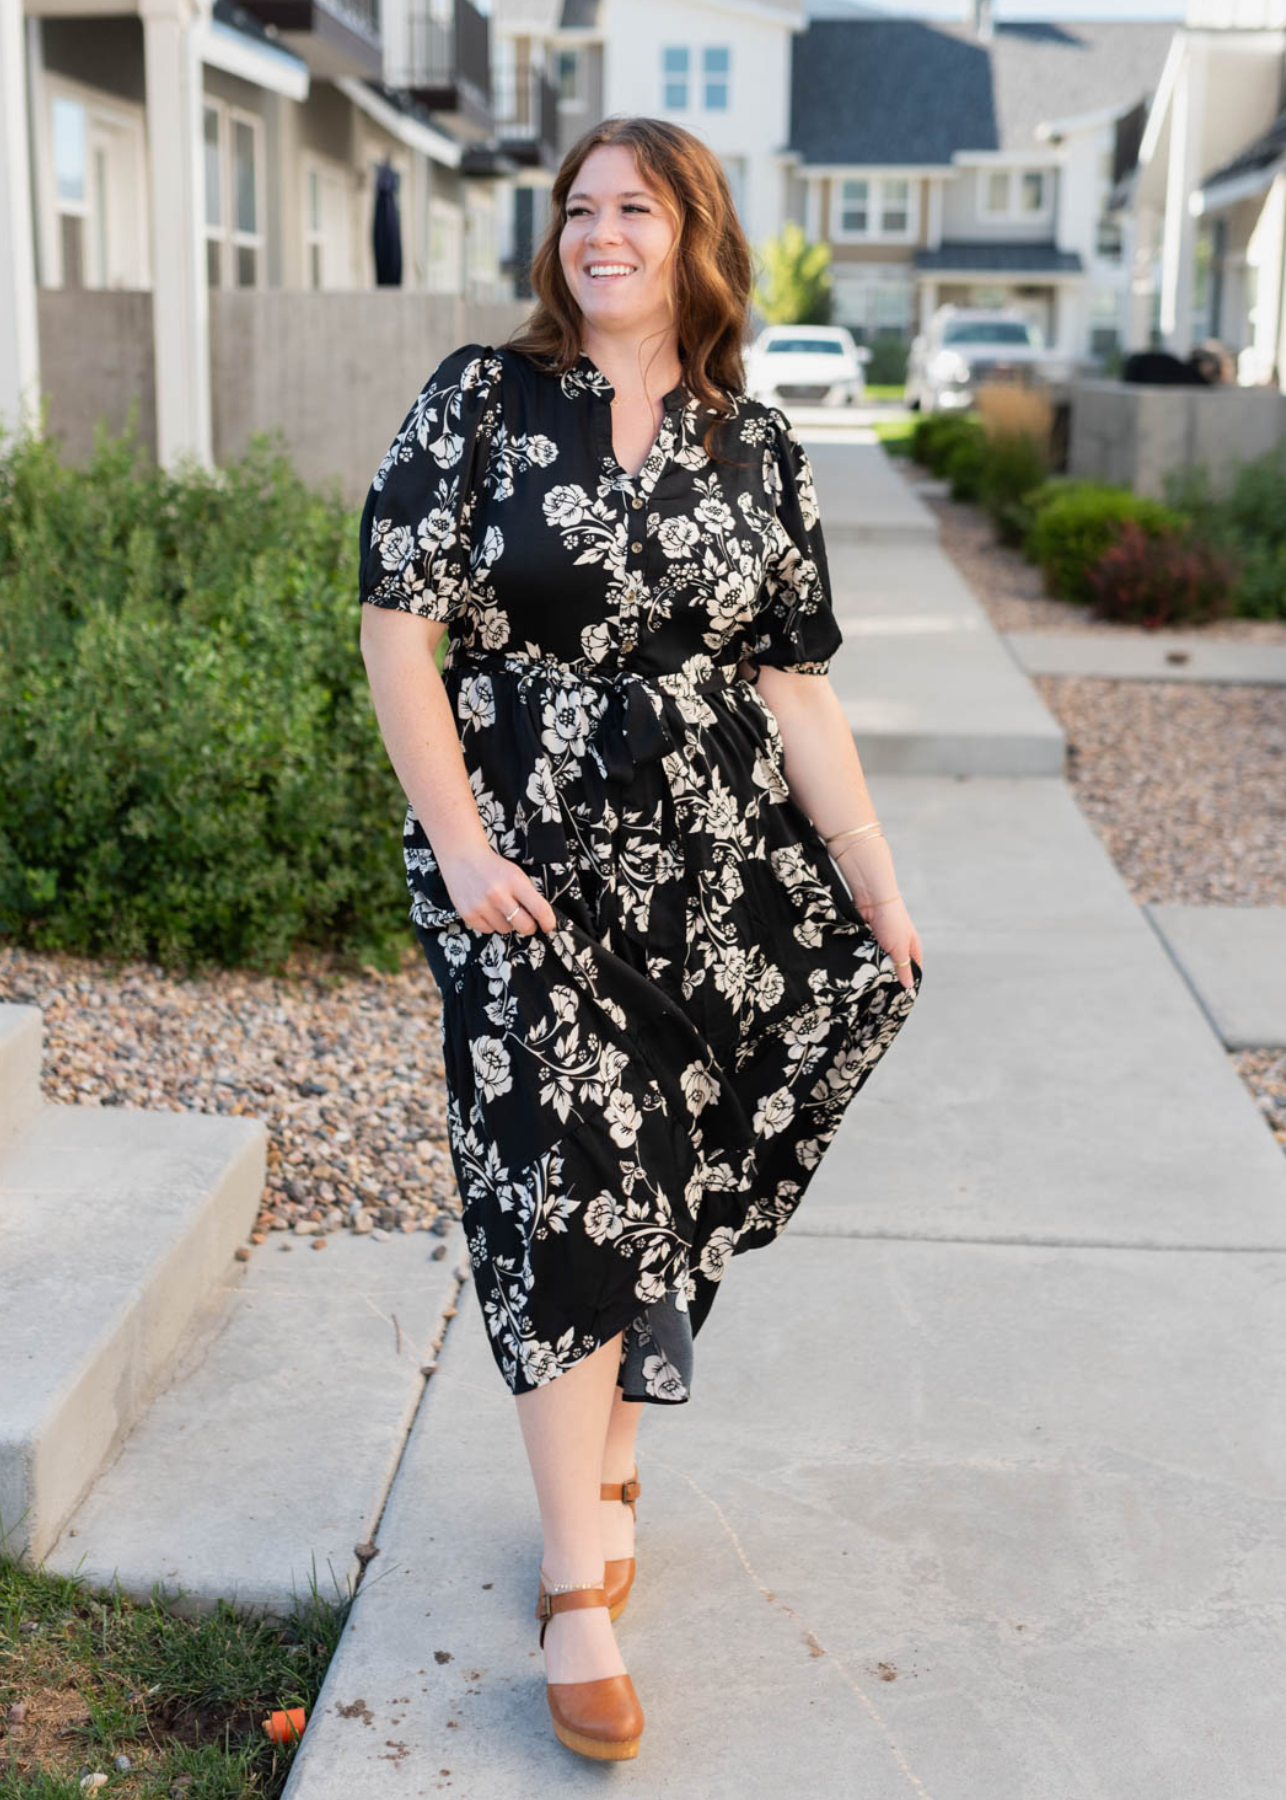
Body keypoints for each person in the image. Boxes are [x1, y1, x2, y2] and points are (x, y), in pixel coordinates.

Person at [358, 115, 924, 1762]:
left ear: (693, 235)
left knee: (651, 1174)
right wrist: (458, 845)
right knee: (559, 1164)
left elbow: (791, 681)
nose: (598, 233)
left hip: (712, 873)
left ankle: (604, 1451)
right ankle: (572, 1582)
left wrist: (870, 876)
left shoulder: (756, 447)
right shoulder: (475, 400)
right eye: (577, 208)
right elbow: (401, 631)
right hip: (519, 866)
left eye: (634, 208)